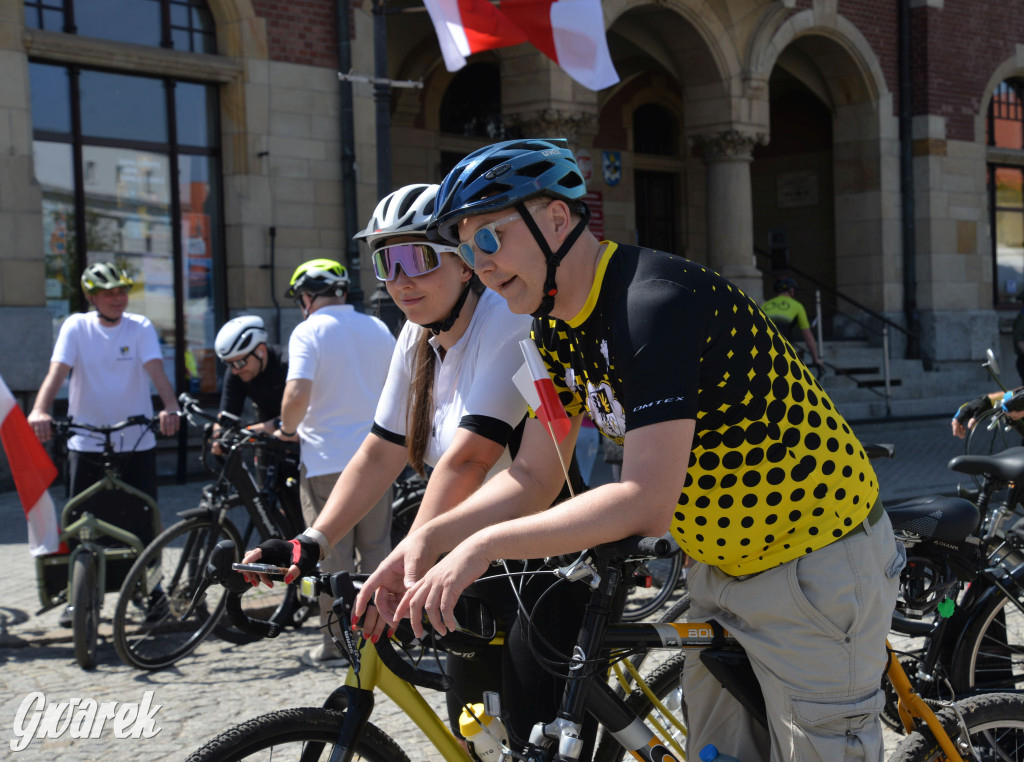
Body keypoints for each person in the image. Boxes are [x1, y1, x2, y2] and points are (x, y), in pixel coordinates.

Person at [350, 138, 905, 761]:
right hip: (719, 571)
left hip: (813, 565)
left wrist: (482, 545)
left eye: (489, 238)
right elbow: (535, 472)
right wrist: (427, 540)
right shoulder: (552, 330)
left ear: (557, 218)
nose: (480, 265)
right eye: (465, 245)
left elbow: (644, 500)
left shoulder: (654, 303)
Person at [243, 185, 589, 743]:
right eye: (386, 262)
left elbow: (470, 460)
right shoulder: (415, 335)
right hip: (462, 555)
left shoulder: (506, 320)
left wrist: (406, 561)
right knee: (473, 734)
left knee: (531, 738)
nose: (401, 280)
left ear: (467, 264)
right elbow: (379, 450)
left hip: (543, 555)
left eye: (418, 258)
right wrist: (312, 540)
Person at [28, 261, 180, 623]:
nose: (118, 299)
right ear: (92, 297)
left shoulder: (139, 327)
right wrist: (39, 410)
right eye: (109, 293)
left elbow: (156, 371)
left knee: (143, 521)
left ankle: (152, 592)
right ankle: (76, 594)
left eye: (123, 291)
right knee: (82, 520)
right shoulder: (76, 327)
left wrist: (170, 407)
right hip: (87, 441)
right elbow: (57, 372)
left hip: (135, 440)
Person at [275, 257, 396, 667]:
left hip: (326, 460)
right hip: (378, 457)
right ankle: (385, 636)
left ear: (307, 297)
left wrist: (287, 429)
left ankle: (338, 644)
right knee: (377, 549)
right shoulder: (377, 327)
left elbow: (296, 395)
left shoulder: (308, 331)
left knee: (332, 557)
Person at [212, 315, 288, 449]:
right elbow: (227, 415)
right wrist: (219, 435)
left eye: (240, 362)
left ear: (261, 351)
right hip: (267, 442)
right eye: (228, 364)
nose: (235, 370)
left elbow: (304, 409)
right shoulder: (236, 372)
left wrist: (259, 429)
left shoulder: (287, 364)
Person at [760, 276, 826, 376]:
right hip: (782, 351)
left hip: (763, 351)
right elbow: (808, 337)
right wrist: (816, 359)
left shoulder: (765, 305)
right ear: (791, 291)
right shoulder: (797, 306)